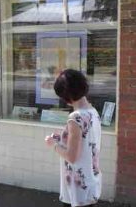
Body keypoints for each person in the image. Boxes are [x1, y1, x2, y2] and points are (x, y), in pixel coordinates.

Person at [45, 69, 101, 207]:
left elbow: (72, 156)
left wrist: (54, 145)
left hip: (77, 187)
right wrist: (62, 138)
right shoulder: (92, 112)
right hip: (91, 180)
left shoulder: (75, 117)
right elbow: (86, 141)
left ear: (66, 96)